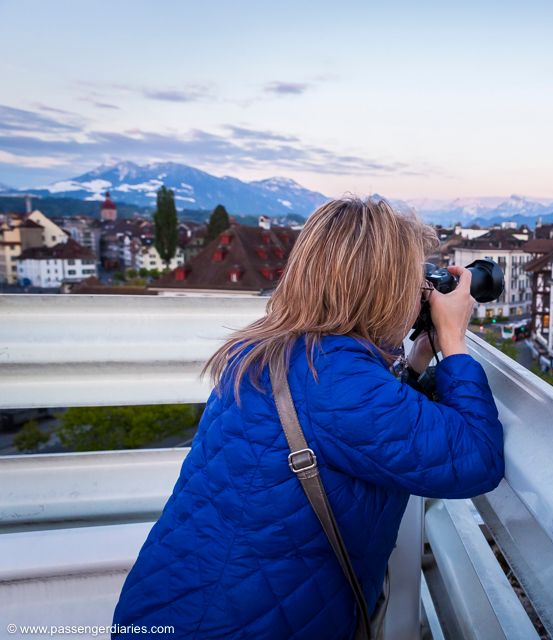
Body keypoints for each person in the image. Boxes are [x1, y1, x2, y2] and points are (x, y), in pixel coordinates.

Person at [112, 197, 505, 639]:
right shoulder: (339, 381)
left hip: (169, 610)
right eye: (414, 284)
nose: (421, 296)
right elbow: (477, 457)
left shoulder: (270, 349)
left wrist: (411, 363)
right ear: (383, 290)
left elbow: (368, 431)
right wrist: (452, 339)